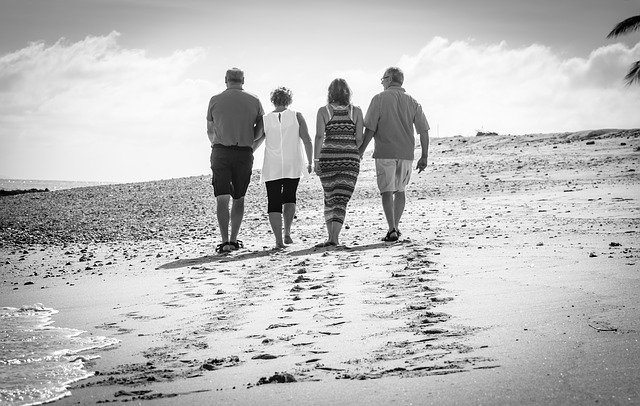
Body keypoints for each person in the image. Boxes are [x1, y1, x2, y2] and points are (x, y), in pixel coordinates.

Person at [359, 67, 429, 242]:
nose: (382, 82)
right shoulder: (412, 101)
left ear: (389, 79)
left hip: (385, 153)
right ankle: (395, 227)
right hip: (406, 154)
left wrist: (360, 151)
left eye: (382, 79)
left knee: (386, 191)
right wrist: (424, 156)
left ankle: (391, 228)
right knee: (400, 190)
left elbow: (370, 129)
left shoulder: (379, 99)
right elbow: (424, 131)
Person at [206, 68, 264, 253]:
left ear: (226, 80)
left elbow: (209, 130)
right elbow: (260, 131)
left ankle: (224, 242)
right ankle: (234, 239)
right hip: (243, 152)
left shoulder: (215, 100)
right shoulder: (254, 100)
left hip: (221, 151)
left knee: (222, 199)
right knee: (239, 197)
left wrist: (216, 144)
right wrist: (250, 145)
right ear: (243, 80)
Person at [254, 87, 313, 249]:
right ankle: (287, 232)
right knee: (289, 197)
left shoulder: (265, 119)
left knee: (273, 201)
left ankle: (278, 241)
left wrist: (248, 153)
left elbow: (255, 139)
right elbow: (307, 140)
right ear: (289, 100)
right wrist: (310, 162)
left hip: (272, 166)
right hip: (292, 163)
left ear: (273, 100)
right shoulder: (297, 116)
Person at [314, 78, 364, 247]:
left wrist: (316, 160)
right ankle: (335, 238)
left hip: (328, 158)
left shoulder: (324, 111)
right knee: (341, 199)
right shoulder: (356, 111)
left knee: (329, 198)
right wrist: (350, 149)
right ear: (347, 93)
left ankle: (330, 238)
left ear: (330, 93)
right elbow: (359, 138)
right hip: (349, 160)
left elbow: (320, 136)